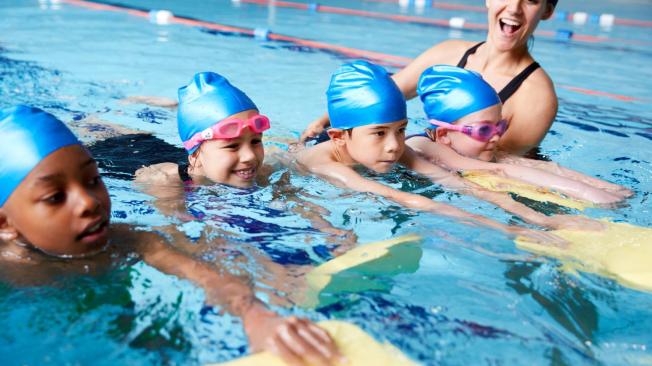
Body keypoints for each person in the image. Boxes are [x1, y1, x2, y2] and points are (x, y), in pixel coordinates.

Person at [0, 105, 341, 366]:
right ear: (5, 223)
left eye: (92, 181)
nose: (89, 202)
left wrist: (257, 316)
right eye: (56, 197)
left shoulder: (129, 240)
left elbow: (207, 276)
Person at [294, 60, 574, 238]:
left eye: (401, 129)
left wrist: (539, 218)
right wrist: (510, 230)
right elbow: (409, 200)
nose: (394, 145)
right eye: (379, 133)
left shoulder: (391, 147)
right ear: (339, 137)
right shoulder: (326, 165)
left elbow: (455, 183)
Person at [301, 0, 560, 155]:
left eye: (531, 0)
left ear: (547, 11)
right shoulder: (449, 52)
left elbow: (490, 166)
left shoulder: (536, 95)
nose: (514, 8)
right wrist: (322, 122)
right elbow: (384, 93)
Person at [406, 65, 632, 205]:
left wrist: (607, 188)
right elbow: (499, 170)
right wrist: (585, 193)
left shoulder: (474, 149)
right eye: (484, 130)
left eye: (500, 127)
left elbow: (516, 163)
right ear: (444, 134)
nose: (496, 137)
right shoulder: (423, 147)